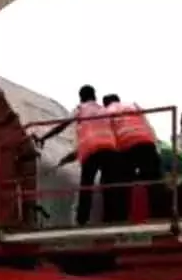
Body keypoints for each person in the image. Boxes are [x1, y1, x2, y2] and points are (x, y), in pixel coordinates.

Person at [49, 85, 123, 224]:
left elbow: (62, 126)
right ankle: (112, 218)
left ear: (81, 97)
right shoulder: (104, 110)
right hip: (110, 149)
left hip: (91, 151)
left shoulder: (80, 109)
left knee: (86, 186)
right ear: (94, 96)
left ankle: (82, 219)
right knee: (110, 186)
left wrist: (44, 137)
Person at [103, 93, 163, 218]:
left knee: (124, 183)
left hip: (127, 145)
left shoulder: (106, 111)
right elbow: (147, 124)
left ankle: (122, 216)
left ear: (105, 104)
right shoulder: (133, 105)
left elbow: (108, 135)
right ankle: (160, 215)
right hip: (147, 142)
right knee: (154, 181)